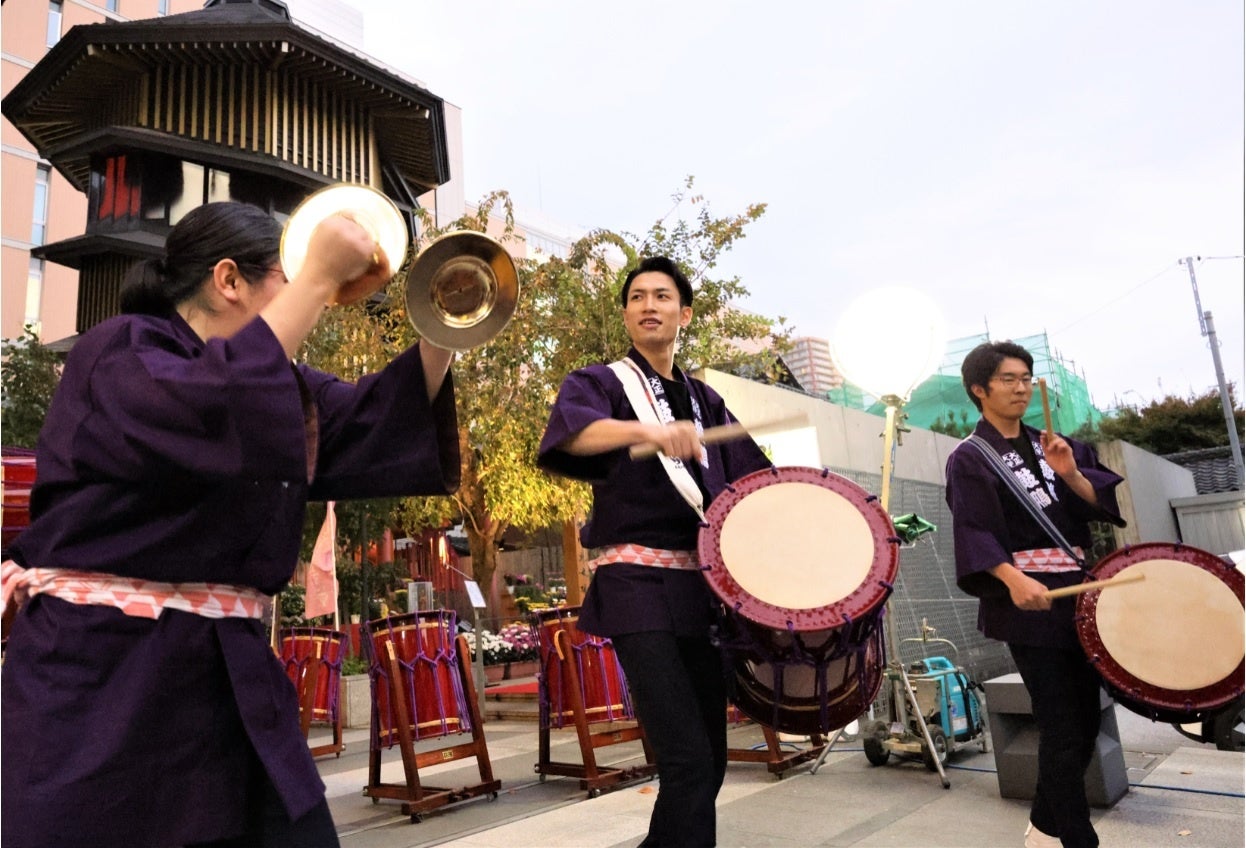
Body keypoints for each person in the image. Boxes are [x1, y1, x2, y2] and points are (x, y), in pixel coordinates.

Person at [0, 201, 460, 848]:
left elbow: (369, 423)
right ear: (229, 280)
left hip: (233, 674)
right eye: (286, 278)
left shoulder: (279, 384)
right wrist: (321, 276)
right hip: (109, 676)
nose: (303, 297)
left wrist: (446, 321)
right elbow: (213, 404)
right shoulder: (121, 351)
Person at [537, 256, 771, 847]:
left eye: (662, 296)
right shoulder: (601, 382)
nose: (648, 305)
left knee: (709, 762)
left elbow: (754, 482)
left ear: (683, 313)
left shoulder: (706, 398)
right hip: (636, 587)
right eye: (637, 296)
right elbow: (574, 434)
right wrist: (648, 432)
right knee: (687, 759)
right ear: (625, 313)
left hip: (701, 592)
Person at [944, 340, 1126, 848]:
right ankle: (1075, 837)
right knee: (1061, 722)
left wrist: (1068, 471)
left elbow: (1097, 506)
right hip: (1027, 603)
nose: (1021, 386)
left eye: (1026, 377)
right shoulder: (970, 457)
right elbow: (974, 527)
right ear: (979, 389)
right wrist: (1011, 578)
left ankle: (1045, 828)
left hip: (1078, 595)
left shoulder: (1056, 445)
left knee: (1086, 721)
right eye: (1008, 379)